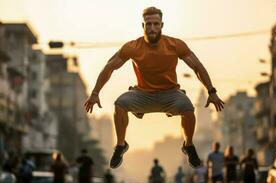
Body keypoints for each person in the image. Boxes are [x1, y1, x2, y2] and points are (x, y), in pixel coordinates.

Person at [84, 6, 224, 169]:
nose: (152, 28)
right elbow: (110, 67)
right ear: (142, 26)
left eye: (155, 24)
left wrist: (211, 91)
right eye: (148, 24)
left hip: (170, 93)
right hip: (142, 94)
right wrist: (95, 93)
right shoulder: (133, 47)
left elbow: (197, 66)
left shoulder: (175, 45)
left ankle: (188, 145)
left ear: (161, 25)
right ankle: (121, 145)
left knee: (187, 107)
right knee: (120, 103)